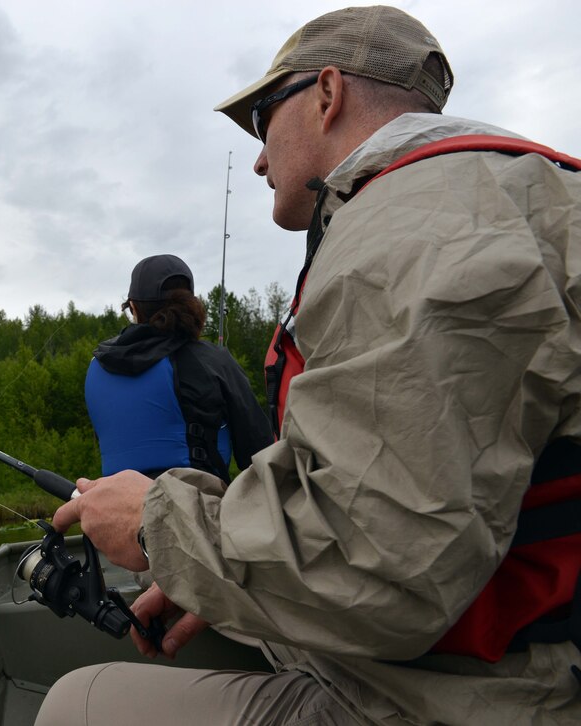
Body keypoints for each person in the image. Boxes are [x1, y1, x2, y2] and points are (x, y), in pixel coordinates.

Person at [36, 5, 581, 725]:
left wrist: (157, 528)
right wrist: (218, 585)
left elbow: (381, 569)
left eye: (263, 119)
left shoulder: (407, 231)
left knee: (72, 706)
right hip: (477, 639)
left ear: (328, 94)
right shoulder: (517, 197)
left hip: (473, 694)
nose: (258, 158)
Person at [85, 254, 272, 482]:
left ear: (133, 307)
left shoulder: (97, 366)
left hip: (113, 509)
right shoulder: (213, 360)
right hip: (192, 507)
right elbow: (260, 454)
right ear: (190, 304)